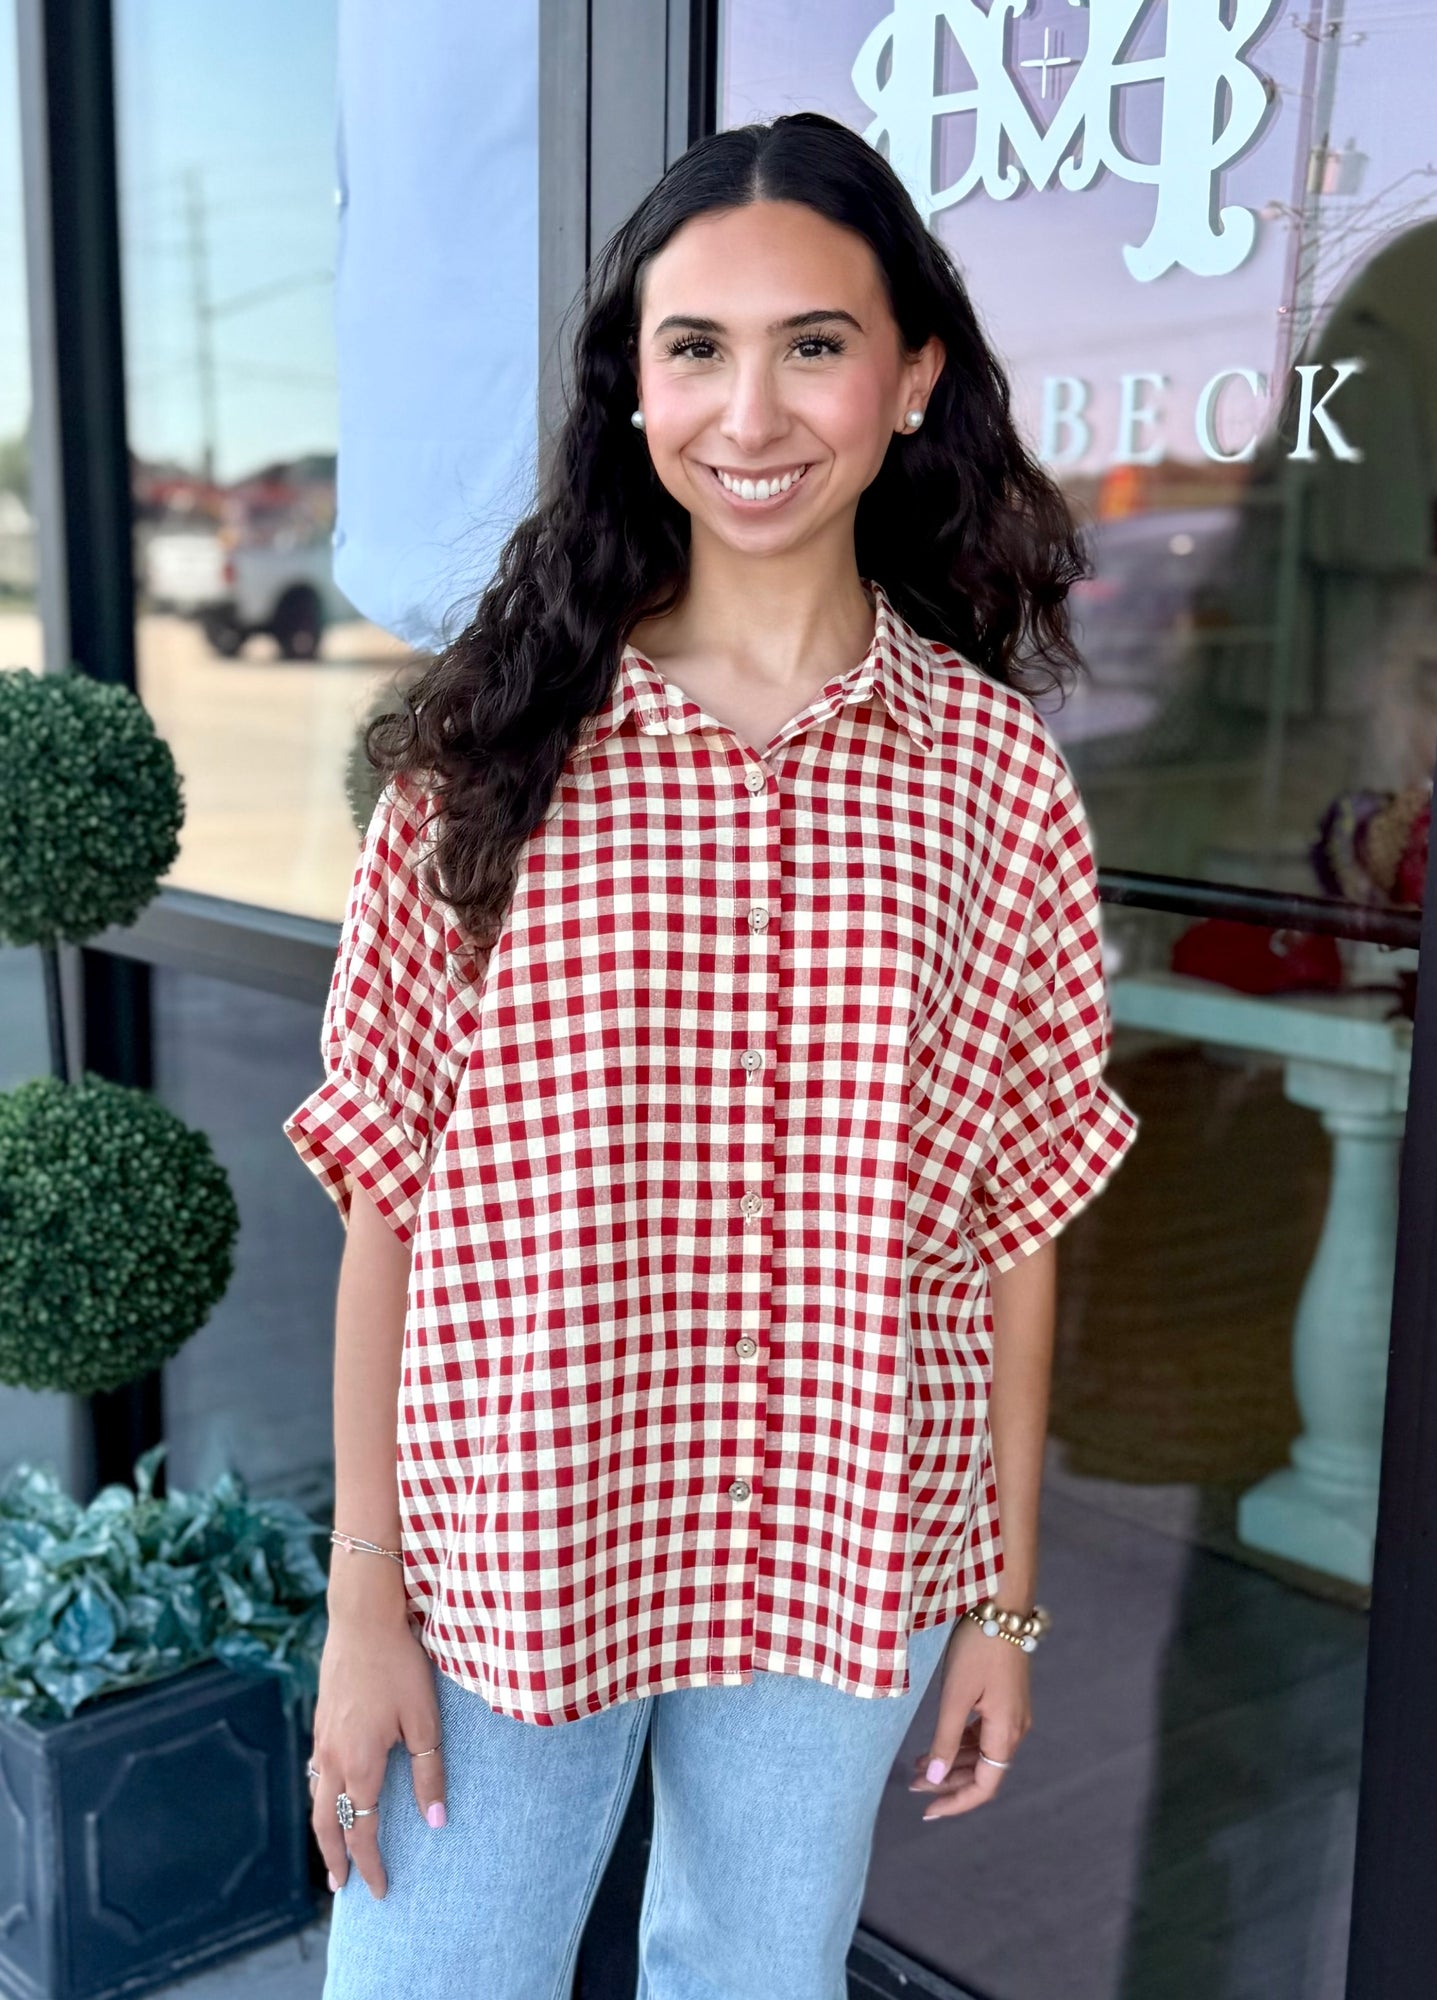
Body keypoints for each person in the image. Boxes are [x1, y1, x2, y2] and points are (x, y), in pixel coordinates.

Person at [283, 108, 1138, 2000]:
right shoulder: (490, 754)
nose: (750, 415)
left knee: (758, 1981)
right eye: (697, 348)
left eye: (813, 345)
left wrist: (1001, 1603)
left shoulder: (992, 780)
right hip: (511, 1535)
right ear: (634, 388)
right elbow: (386, 1191)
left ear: (913, 378)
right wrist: (365, 1599)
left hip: (847, 1534)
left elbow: (1015, 1219)